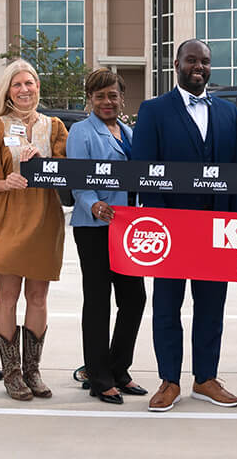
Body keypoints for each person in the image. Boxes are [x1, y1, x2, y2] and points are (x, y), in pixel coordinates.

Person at [131, 39, 237, 413]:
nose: (199, 66)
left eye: (205, 61)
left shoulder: (229, 113)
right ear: (177, 64)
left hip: (217, 229)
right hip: (169, 229)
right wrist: (158, 223)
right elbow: (143, 173)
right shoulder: (153, 111)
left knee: (212, 304)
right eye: (191, 60)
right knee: (167, 305)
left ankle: (205, 378)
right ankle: (169, 380)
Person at [0, 59, 68, 401]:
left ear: (38, 87)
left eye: (30, 83)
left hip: (43, 219)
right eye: (17, 85)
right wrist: (6, 182)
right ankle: (11, 373)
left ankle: (33, 370)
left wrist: (44, 161)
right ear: (8, 92)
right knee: (7, 297)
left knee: (38, 297)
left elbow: (66, 174)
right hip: (6, 218)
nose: (25, 89)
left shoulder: (54, 126)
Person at [67, 68, 148, 405]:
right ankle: (100, 378)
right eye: (99, 95)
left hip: (126, 227)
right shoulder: (81, 132)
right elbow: (76, 177)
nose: (106, 101)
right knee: (99, 302)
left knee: (134, 299)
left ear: (121, 97)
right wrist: (94, 204)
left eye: (112, 95)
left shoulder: (128, 132)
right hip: (95, 227)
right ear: (90, 98)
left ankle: (118, 368)